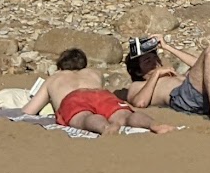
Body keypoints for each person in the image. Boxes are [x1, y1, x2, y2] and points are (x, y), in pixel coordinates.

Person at [20, 47, 175, 134]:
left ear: (60, 66)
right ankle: (154, 125)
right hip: (100, 94)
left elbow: (29, 111)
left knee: (84, 117)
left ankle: (106, 128)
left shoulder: (55, 78)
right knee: (125, 115)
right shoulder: (94, 74)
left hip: (73, 98)